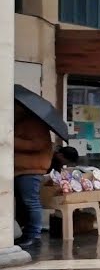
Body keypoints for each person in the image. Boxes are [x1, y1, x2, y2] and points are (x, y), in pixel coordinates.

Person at [15, 104, 53, 249]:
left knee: (30, 202)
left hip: (30, 169)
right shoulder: (20, 122)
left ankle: (34, 234)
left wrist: (12, 140)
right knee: (23, 203)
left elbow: (37, 144)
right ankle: (26, 232)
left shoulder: (34, 123)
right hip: (20, 169)